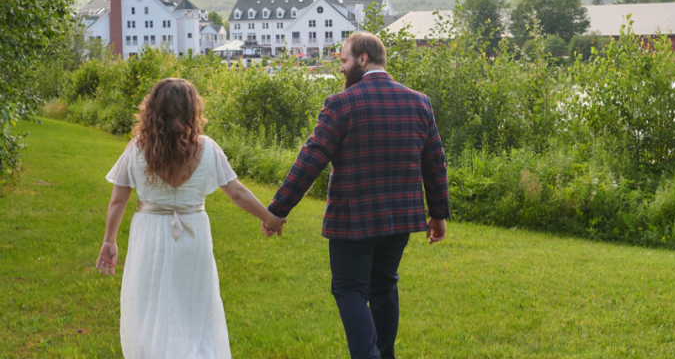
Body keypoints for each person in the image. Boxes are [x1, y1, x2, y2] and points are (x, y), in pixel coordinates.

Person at [262, 32, 450, 359]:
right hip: (400, 221)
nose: (342, 70)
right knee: (384, 288)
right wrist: (438, 214)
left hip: (353, 222)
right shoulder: (419, 102)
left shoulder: (341, 103)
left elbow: (310, 160)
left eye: (345, 61)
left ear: (363, 59)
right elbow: (435, 163)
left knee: (349, 290)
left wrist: (278, 210)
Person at [97, 78, 285, 359]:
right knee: (193, 306)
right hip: (193, 234)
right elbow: (237, 192)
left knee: (149, 304)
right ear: (191, 110)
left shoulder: (136, 149)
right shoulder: (207, 148)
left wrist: (109, 240)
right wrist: (269, 218)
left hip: (149, 234)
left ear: (152, 109)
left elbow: (117, 200)